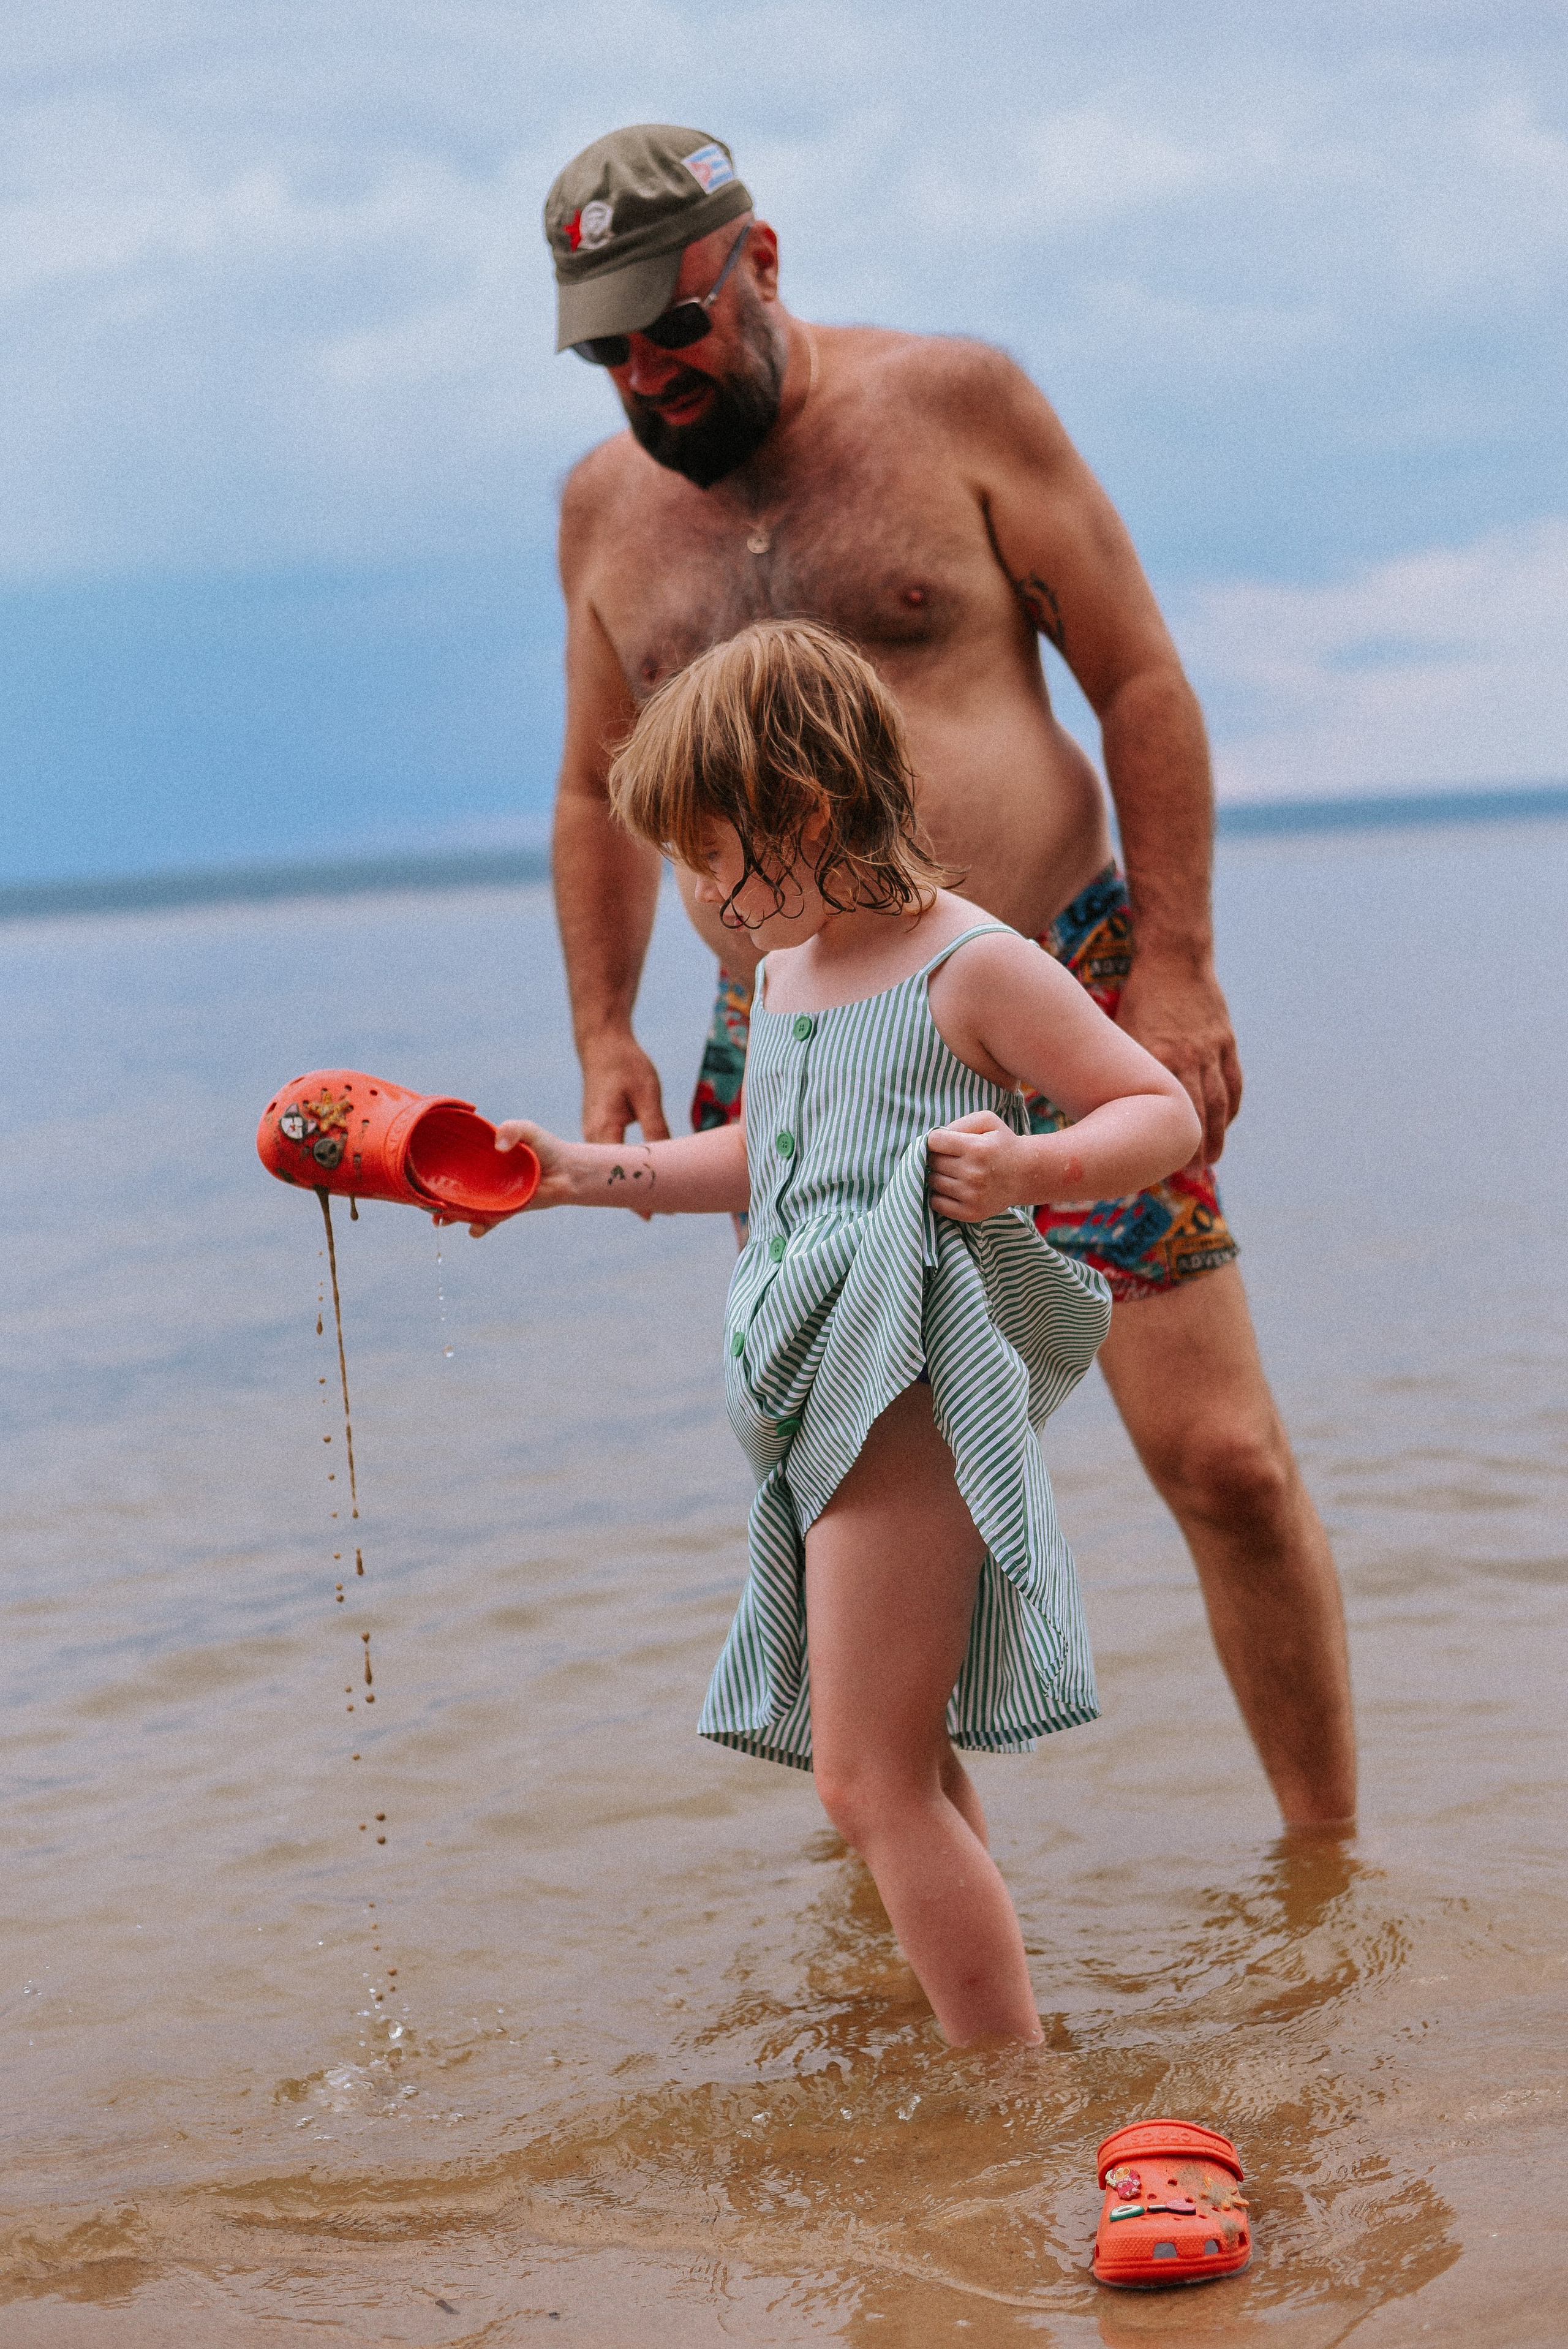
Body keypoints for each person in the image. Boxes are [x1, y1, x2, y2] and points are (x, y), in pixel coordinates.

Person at [540, 124, 1355, 1828]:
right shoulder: (603, 513)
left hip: (1048, 980)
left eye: (671, 328)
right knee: (845, 1480)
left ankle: (1325, 1866)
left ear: (758, 263)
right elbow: (591, 785)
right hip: (797, 1030)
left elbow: (1137, 675)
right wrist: (604, 1024)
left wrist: (1183, 968)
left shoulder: (957, 403)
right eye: (605, 348)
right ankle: (925, 1944)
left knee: (1220, 1459)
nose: (647, 375)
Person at [494, 619, 1202, 2043]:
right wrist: (574, 1174)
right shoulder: (794, 972)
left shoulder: (972, 966)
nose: (698, 892)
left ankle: (1003, 2085)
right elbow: (765, 1154)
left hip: (913, 1380)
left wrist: (1034, 1168)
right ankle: (1003, 2036)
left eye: (707, 852)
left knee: (860, 1777)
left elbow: (1157, 1111)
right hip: (816, 1388)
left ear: (805, 812)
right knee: (905, 1755)